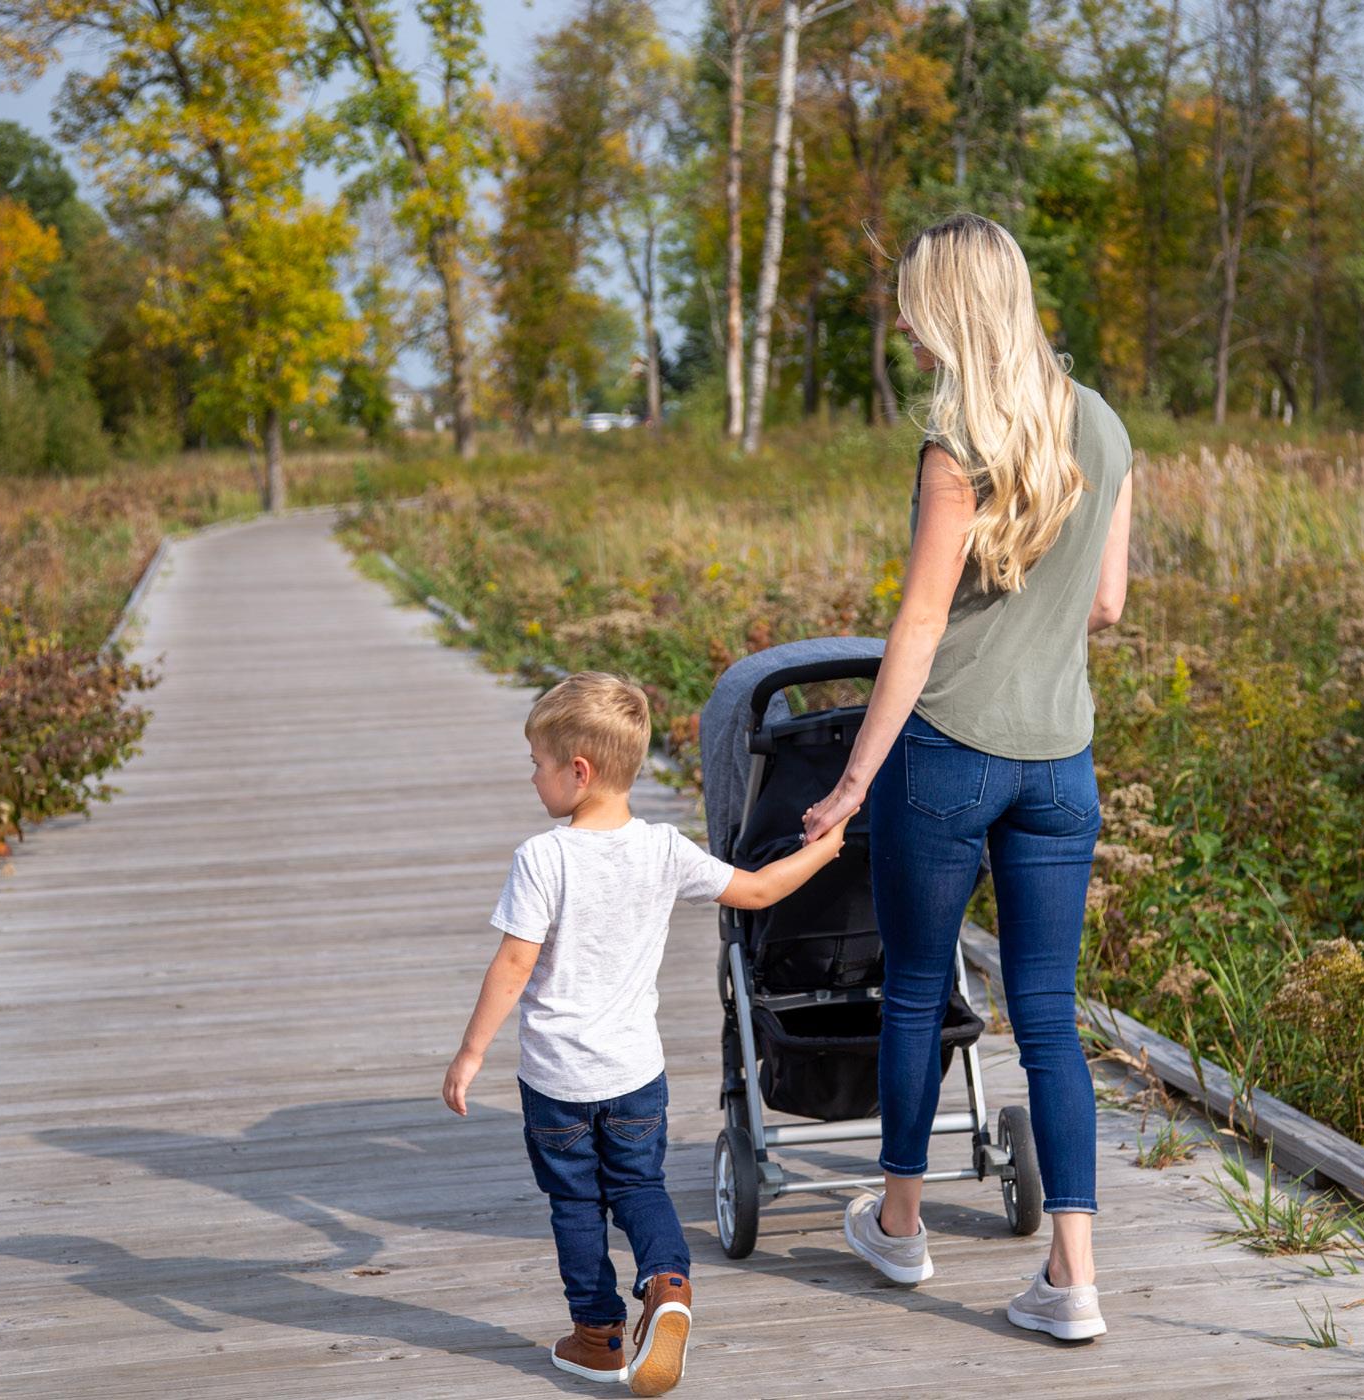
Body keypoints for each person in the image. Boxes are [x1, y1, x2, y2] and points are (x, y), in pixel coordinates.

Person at [801, 213, 1134, 1342]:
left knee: (910, 985)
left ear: (949, 311)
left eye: (911, 307)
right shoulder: (1103, 426)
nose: (902, 326)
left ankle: (899, 1225)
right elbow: (1105, 604)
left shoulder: (956, 445)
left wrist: (853, 780)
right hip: (1061, 760)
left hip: (948, 749)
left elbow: (919, 623)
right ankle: (1072, 1277)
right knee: (1047, 1013)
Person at [441, 671, 853, 1392]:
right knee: (639, 1187)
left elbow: (513, 963)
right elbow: (757, 890)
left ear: (578, 771)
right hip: (634, 1074)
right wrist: (825, 845)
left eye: (537, 763)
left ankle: (598, 1337)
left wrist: (470, 1053)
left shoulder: (543, 857)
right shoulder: (664, 848)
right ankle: (667, 1283)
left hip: (557, 1081)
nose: (531, 777)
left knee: (575, 1205)